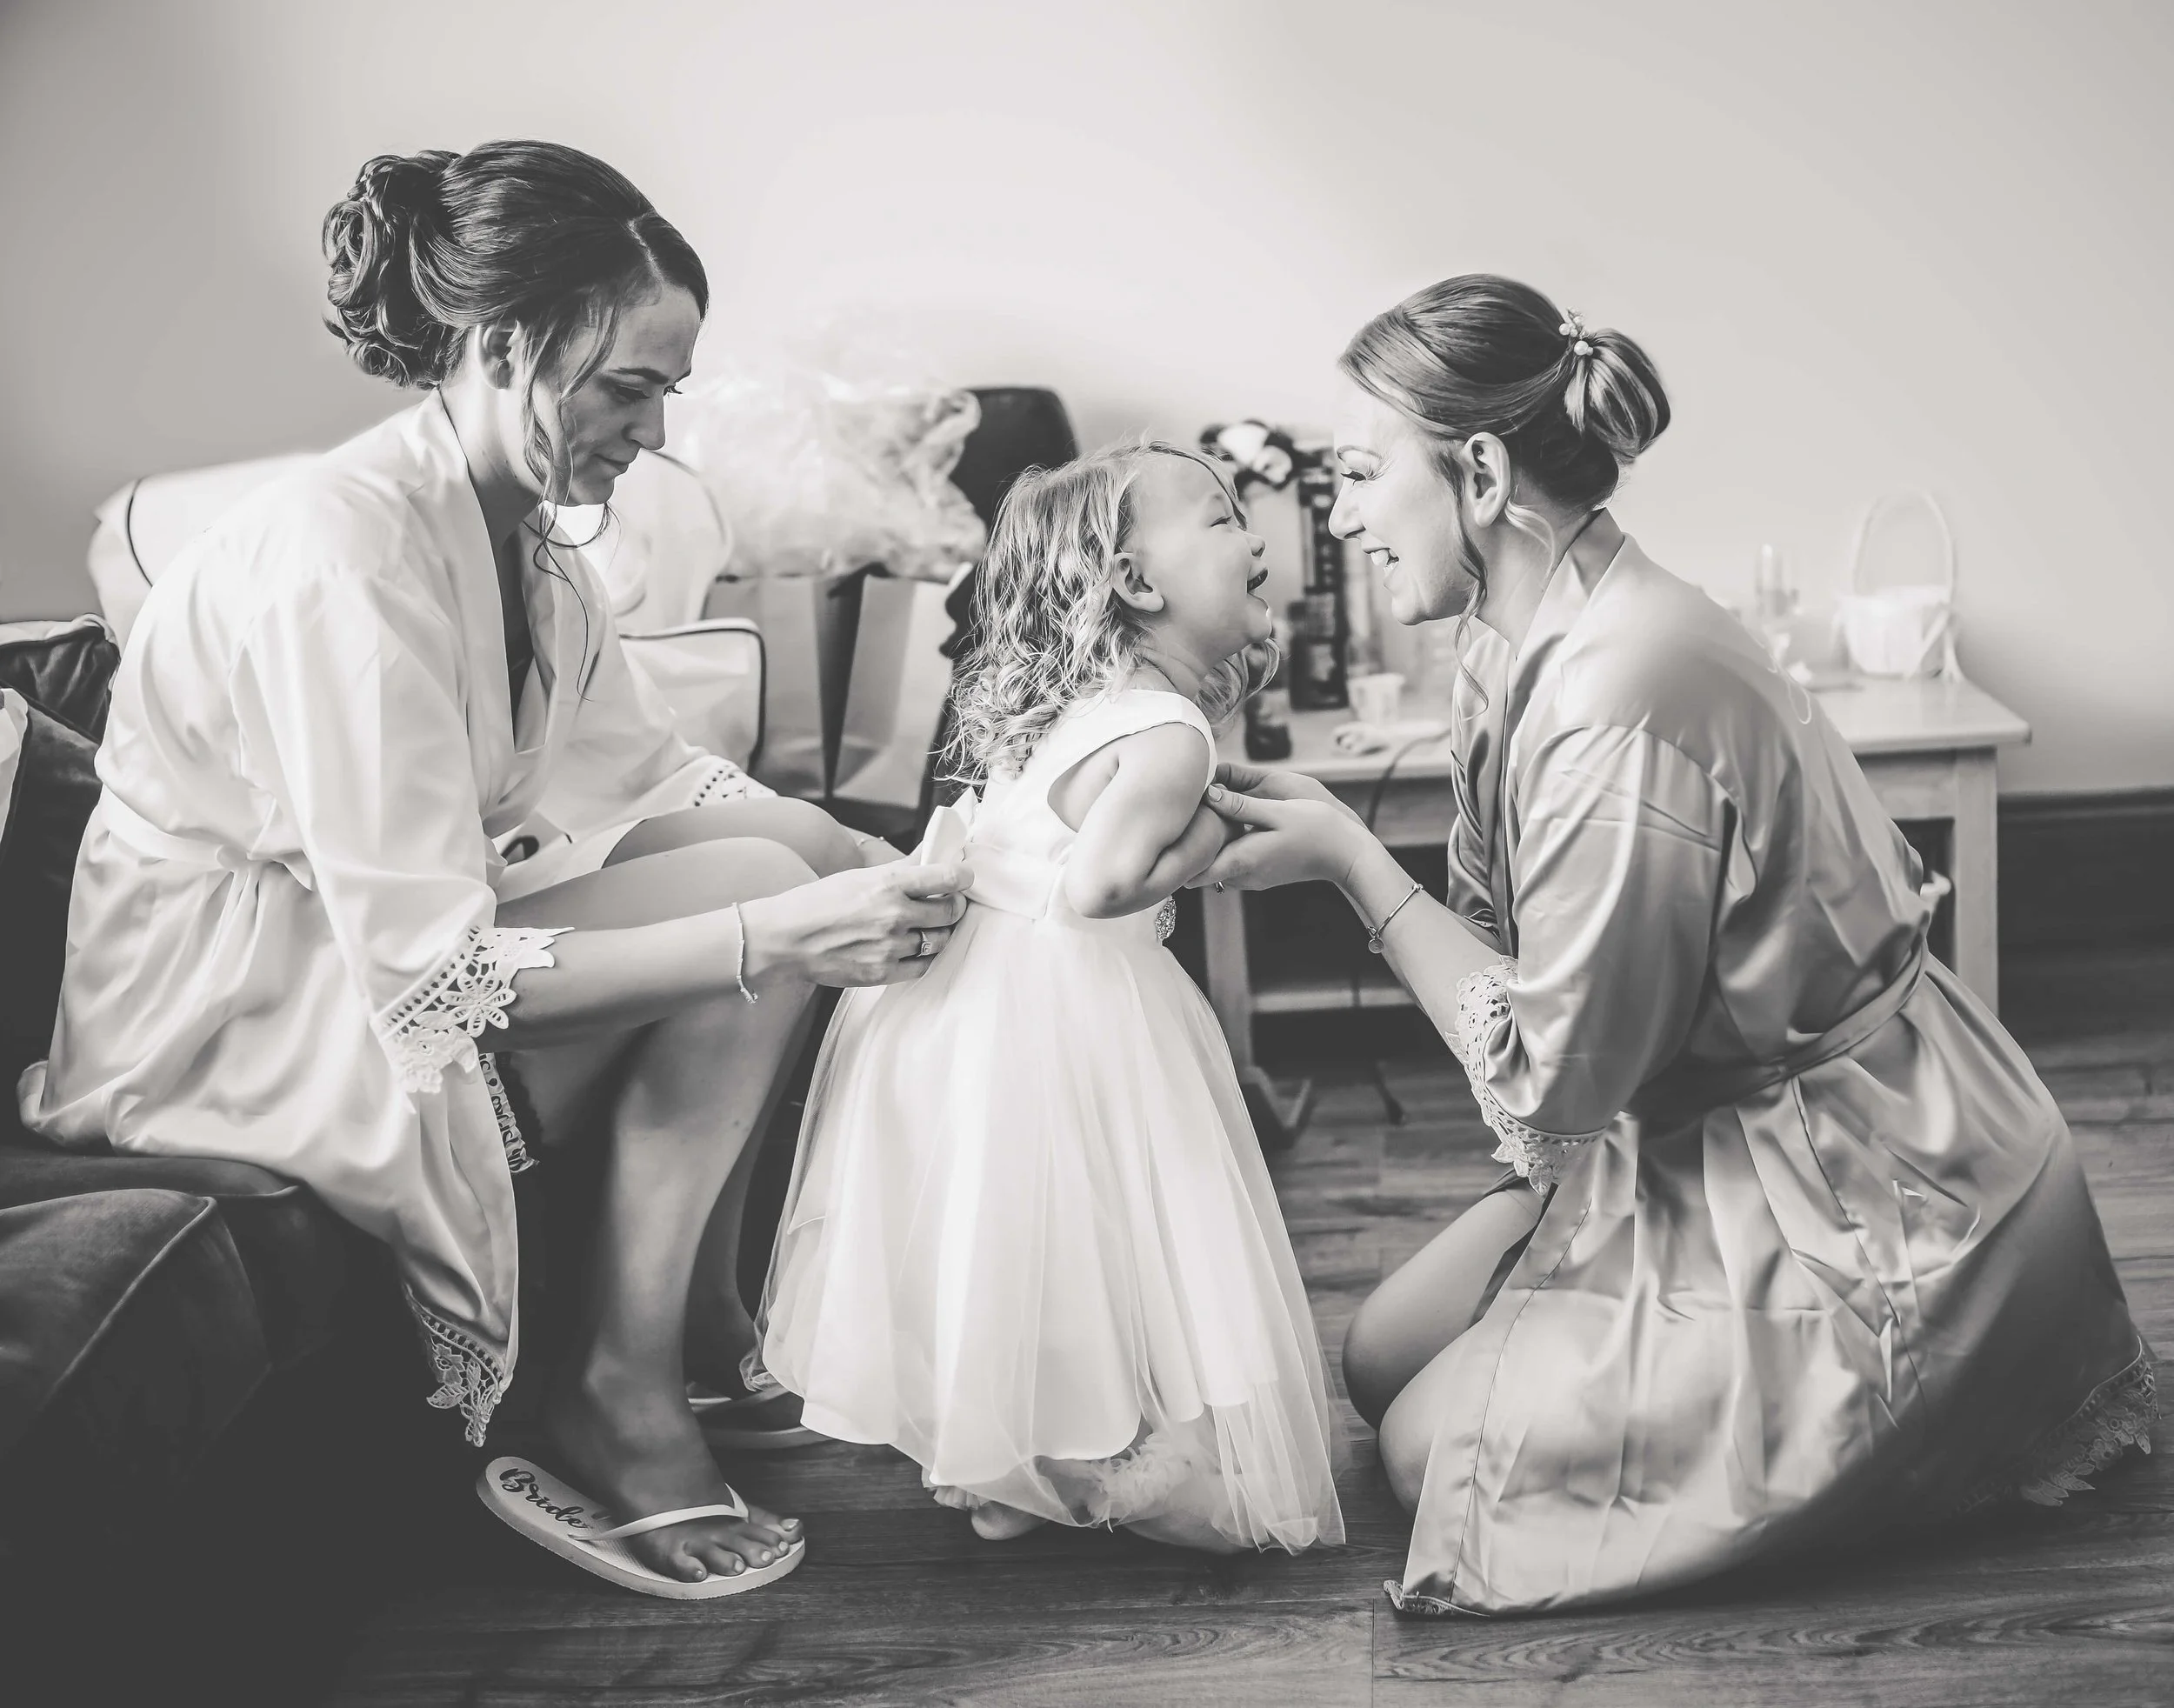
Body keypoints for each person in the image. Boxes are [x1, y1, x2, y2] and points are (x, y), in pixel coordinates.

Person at [16, 140, 976, 1599]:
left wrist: (866, 858)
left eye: (667, 390)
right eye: (628, 388)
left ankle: (698, 1319)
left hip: (341, 952)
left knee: (782, 848)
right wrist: (784, 928)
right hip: (227, 1018)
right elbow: (438, 973)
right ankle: (615, 1387)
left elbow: (652, 781)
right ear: (507, 342)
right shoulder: (340, 559)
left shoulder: (528, 549)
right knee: (760, 916)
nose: (653, 433)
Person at [1195, 275, 2156, 1614]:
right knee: (1374, 1363)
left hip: (1859, 1182)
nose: (1342, 515)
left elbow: (1553, 1083)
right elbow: (1526, 961)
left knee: (1425, 1455)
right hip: (1692, 1121)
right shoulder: (1513, 633)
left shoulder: (1621, 693)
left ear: (1477, 471)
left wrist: (1356, 865)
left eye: (1363, 473)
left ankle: (1929, 1406)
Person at [755, 443, 1345, 1554]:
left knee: (1019, 1234)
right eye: (1223, 518)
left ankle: (1000, 1457)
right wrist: (1218, 834)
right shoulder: (1169, 733)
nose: (1256, 537)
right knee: (1108, 1222)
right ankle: (1095, 1472)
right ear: (1135, 581)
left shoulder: (1087, 711)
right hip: (1065, 1002)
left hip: (966, 1009)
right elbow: (1102, 885)